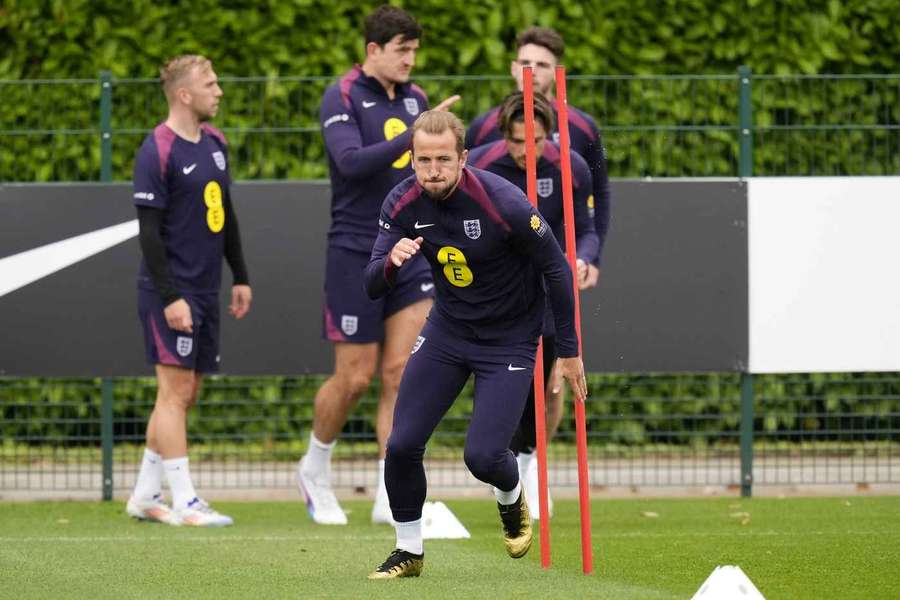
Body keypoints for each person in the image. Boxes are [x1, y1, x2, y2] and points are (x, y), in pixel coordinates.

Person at [363, 110, 587, 579]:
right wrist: (391, 263)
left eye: (444, 159)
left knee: (483, 457)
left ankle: (511, 497)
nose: (433, 170)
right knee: (401, 444)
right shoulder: (401, 203)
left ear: (463, 157)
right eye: (423, 160)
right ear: (412, 159)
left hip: (509, 339)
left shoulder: (502, 199)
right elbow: (371, 283)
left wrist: (567, 350)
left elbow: (557, 268)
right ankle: (408, 550)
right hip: (448, 330)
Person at [298, 5, 460, 526]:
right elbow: (350, 164)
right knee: (356, 378)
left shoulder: (415, 98)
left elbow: (426, 170)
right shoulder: (341, 95)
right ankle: (314, 468)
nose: (411, 60)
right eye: (401, 50)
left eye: (415, 50)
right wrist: (413, 135)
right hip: (353, 251)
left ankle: (391, 493)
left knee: (400, 373)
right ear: (373, 51)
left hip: (410, 248)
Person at [127, 55, 252, 527]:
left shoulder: (216, 143)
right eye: (210, 83)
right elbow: (149, 235)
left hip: (207, 290)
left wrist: (238, 275)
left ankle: (143, 494)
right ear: (184, 94)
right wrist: (170, 296)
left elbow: (227, 215)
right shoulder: (156, 150)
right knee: (174, 393)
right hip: (170, 293)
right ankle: (185, 500)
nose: (219, 90)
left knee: (185, 392)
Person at [468, 91, 597, 518]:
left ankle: (529, 469)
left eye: (537, 141)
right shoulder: (482, 166)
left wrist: (584, 257)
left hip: (549, 288)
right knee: (514, 386)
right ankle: (514, 471)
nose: (528, 151)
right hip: (501, 293)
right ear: (505, 136)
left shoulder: (569, 166)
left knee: (549, 386)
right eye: (519, 142)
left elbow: (587, 228)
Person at [465, 26, 610, 289]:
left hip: (554, 268)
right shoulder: (484, 127)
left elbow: (598, 193)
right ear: (512, 67)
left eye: (542, 64)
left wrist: (591, 259)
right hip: (497, 273)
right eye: (525, 62)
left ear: (556, 73)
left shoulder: (581, 126)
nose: (531, 70)